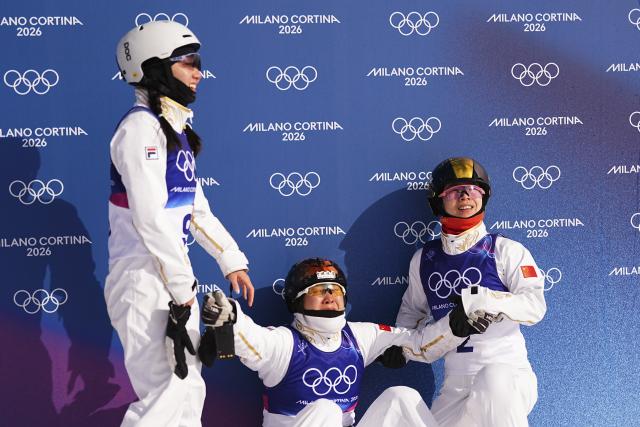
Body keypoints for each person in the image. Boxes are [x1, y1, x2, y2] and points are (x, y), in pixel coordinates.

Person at [104, 20, 254, 426]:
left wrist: (230, 259)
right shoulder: (140, 129)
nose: (198, 72)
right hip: (143, 282)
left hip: (170, 284)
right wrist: (180, 286)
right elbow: (151, 219)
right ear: (153, 69)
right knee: (166, 396)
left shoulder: (174, 130)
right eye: (188, 63)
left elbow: (194, 211)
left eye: (197, 62)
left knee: (188, 391)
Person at [385, 157, 546, 427]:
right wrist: (397, 347)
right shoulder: (423, 259)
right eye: (454, 190)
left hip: (508, 375)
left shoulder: (506, 250)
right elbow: (410, 317)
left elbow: (534, 306)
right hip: (455, 386)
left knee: (494, 378)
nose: (465, 197)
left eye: (474, 189)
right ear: (438, 200)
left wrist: (484, 301)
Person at [200, 258, 439, 427]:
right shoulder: (284, 342)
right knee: (326, 409)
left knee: (402, 397)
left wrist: (458, 324)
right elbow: (251, 338)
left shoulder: (358, 336)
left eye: (335, 291)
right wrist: (229, 316)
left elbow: (418, 341)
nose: (329, 297)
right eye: (318, 291)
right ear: (297, 301)